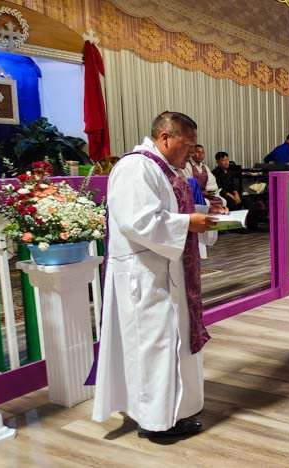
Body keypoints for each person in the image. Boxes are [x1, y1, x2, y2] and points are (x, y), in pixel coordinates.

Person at [92, 111, 227, 439]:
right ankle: (154, 422)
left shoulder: (170, 170)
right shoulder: (136, 167)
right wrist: (188, 223)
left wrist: (206, 214)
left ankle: (176, 410)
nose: (192, 153)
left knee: (171, 345)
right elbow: (138, 221)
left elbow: (174, 213)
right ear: (165, 137)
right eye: (187, 145)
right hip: (145, 275)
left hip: (170, 270)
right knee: (152, 349)